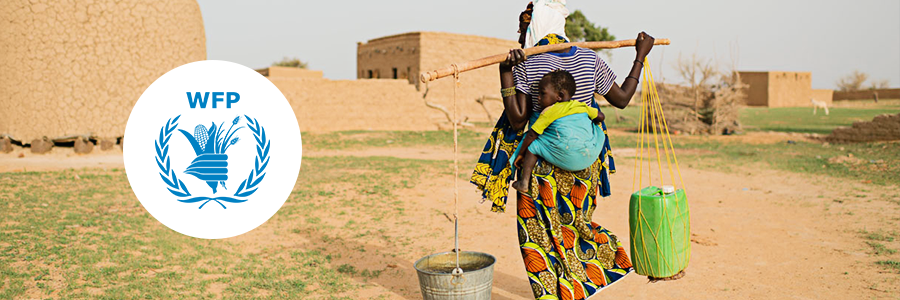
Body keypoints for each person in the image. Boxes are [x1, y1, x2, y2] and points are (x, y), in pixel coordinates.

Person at [487, 1, 655, 298]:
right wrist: (639, 57)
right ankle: (598, 272)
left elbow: (517, 120)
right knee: (577, 224)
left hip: (543, 169)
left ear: (534, 27)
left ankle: (556, 294)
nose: (520, 37)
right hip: (586, 164)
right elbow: (621, 99)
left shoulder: (527, 62)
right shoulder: (590, 59)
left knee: (539, 235)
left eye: (522, 30)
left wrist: (505, 73)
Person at [510, 69, 606, 195]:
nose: (538, 97)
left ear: (559, 96)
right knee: (599, 130)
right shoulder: (580, 106)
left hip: (568, 159)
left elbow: (532, 134)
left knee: (533, 146)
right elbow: (601, 116)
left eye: (542, 93)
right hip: (589, 157)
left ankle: (524, 182)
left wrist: (521, 153)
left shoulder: (548, 112)